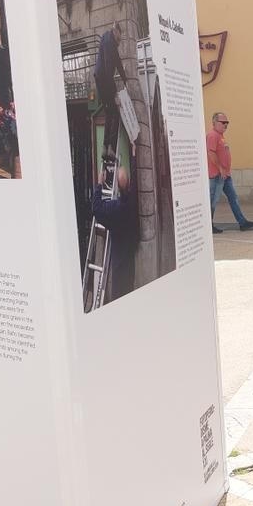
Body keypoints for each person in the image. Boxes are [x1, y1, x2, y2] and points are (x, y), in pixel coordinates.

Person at [91, 165, 137, 302]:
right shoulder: (133, 204)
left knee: (118, 297)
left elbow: (96, 208)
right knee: (129, 292)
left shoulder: (114, 209)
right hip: (130, 264)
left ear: (116, 185)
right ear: (128, 185)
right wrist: (134, 156)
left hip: (118, 265)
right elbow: (135, 186)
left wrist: (99, 184)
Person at [206, 112, 253, 234]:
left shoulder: (221, 136)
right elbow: (211, 153)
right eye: (223, 122)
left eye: (227, 122)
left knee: (233, 198)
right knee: (213, 201)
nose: (226, 125)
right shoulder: (212, 135)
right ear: (215, 123)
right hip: (217, 175)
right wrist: (220, 168)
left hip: (225, 175)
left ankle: (242, 222)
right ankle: (208, 225)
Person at [94, 22, 129, 160]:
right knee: (115, 111)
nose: (120, 41)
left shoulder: (109, 40)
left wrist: (125, 79)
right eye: (120, 38)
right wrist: (115, 94)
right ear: (116, 31)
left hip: (100, 78)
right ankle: (111, 149)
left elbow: (118, 62)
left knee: (109, 112)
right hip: (104, 80)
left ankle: (105, 148)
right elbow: (109, 70)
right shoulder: (109, 41)